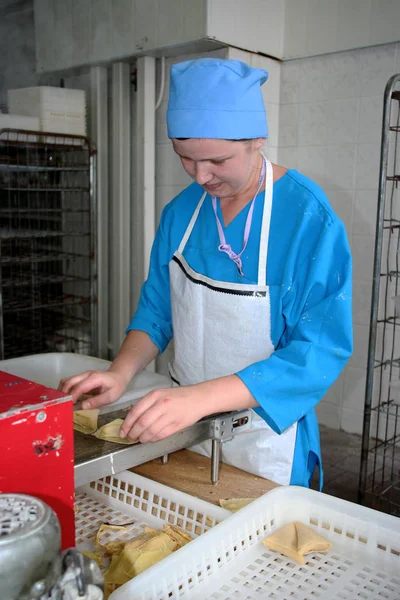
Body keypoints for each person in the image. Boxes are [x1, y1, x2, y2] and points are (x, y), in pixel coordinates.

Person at [60, 58, 352, 488]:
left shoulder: (309, 219)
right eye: (185, 158)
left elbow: (317, 353)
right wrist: (120, 373)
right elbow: (158, 308)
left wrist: (201, 399)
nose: (200, 175)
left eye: (217, 159)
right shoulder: (182, 213)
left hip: (265, 435)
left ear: (257, 140)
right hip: (181, 428)